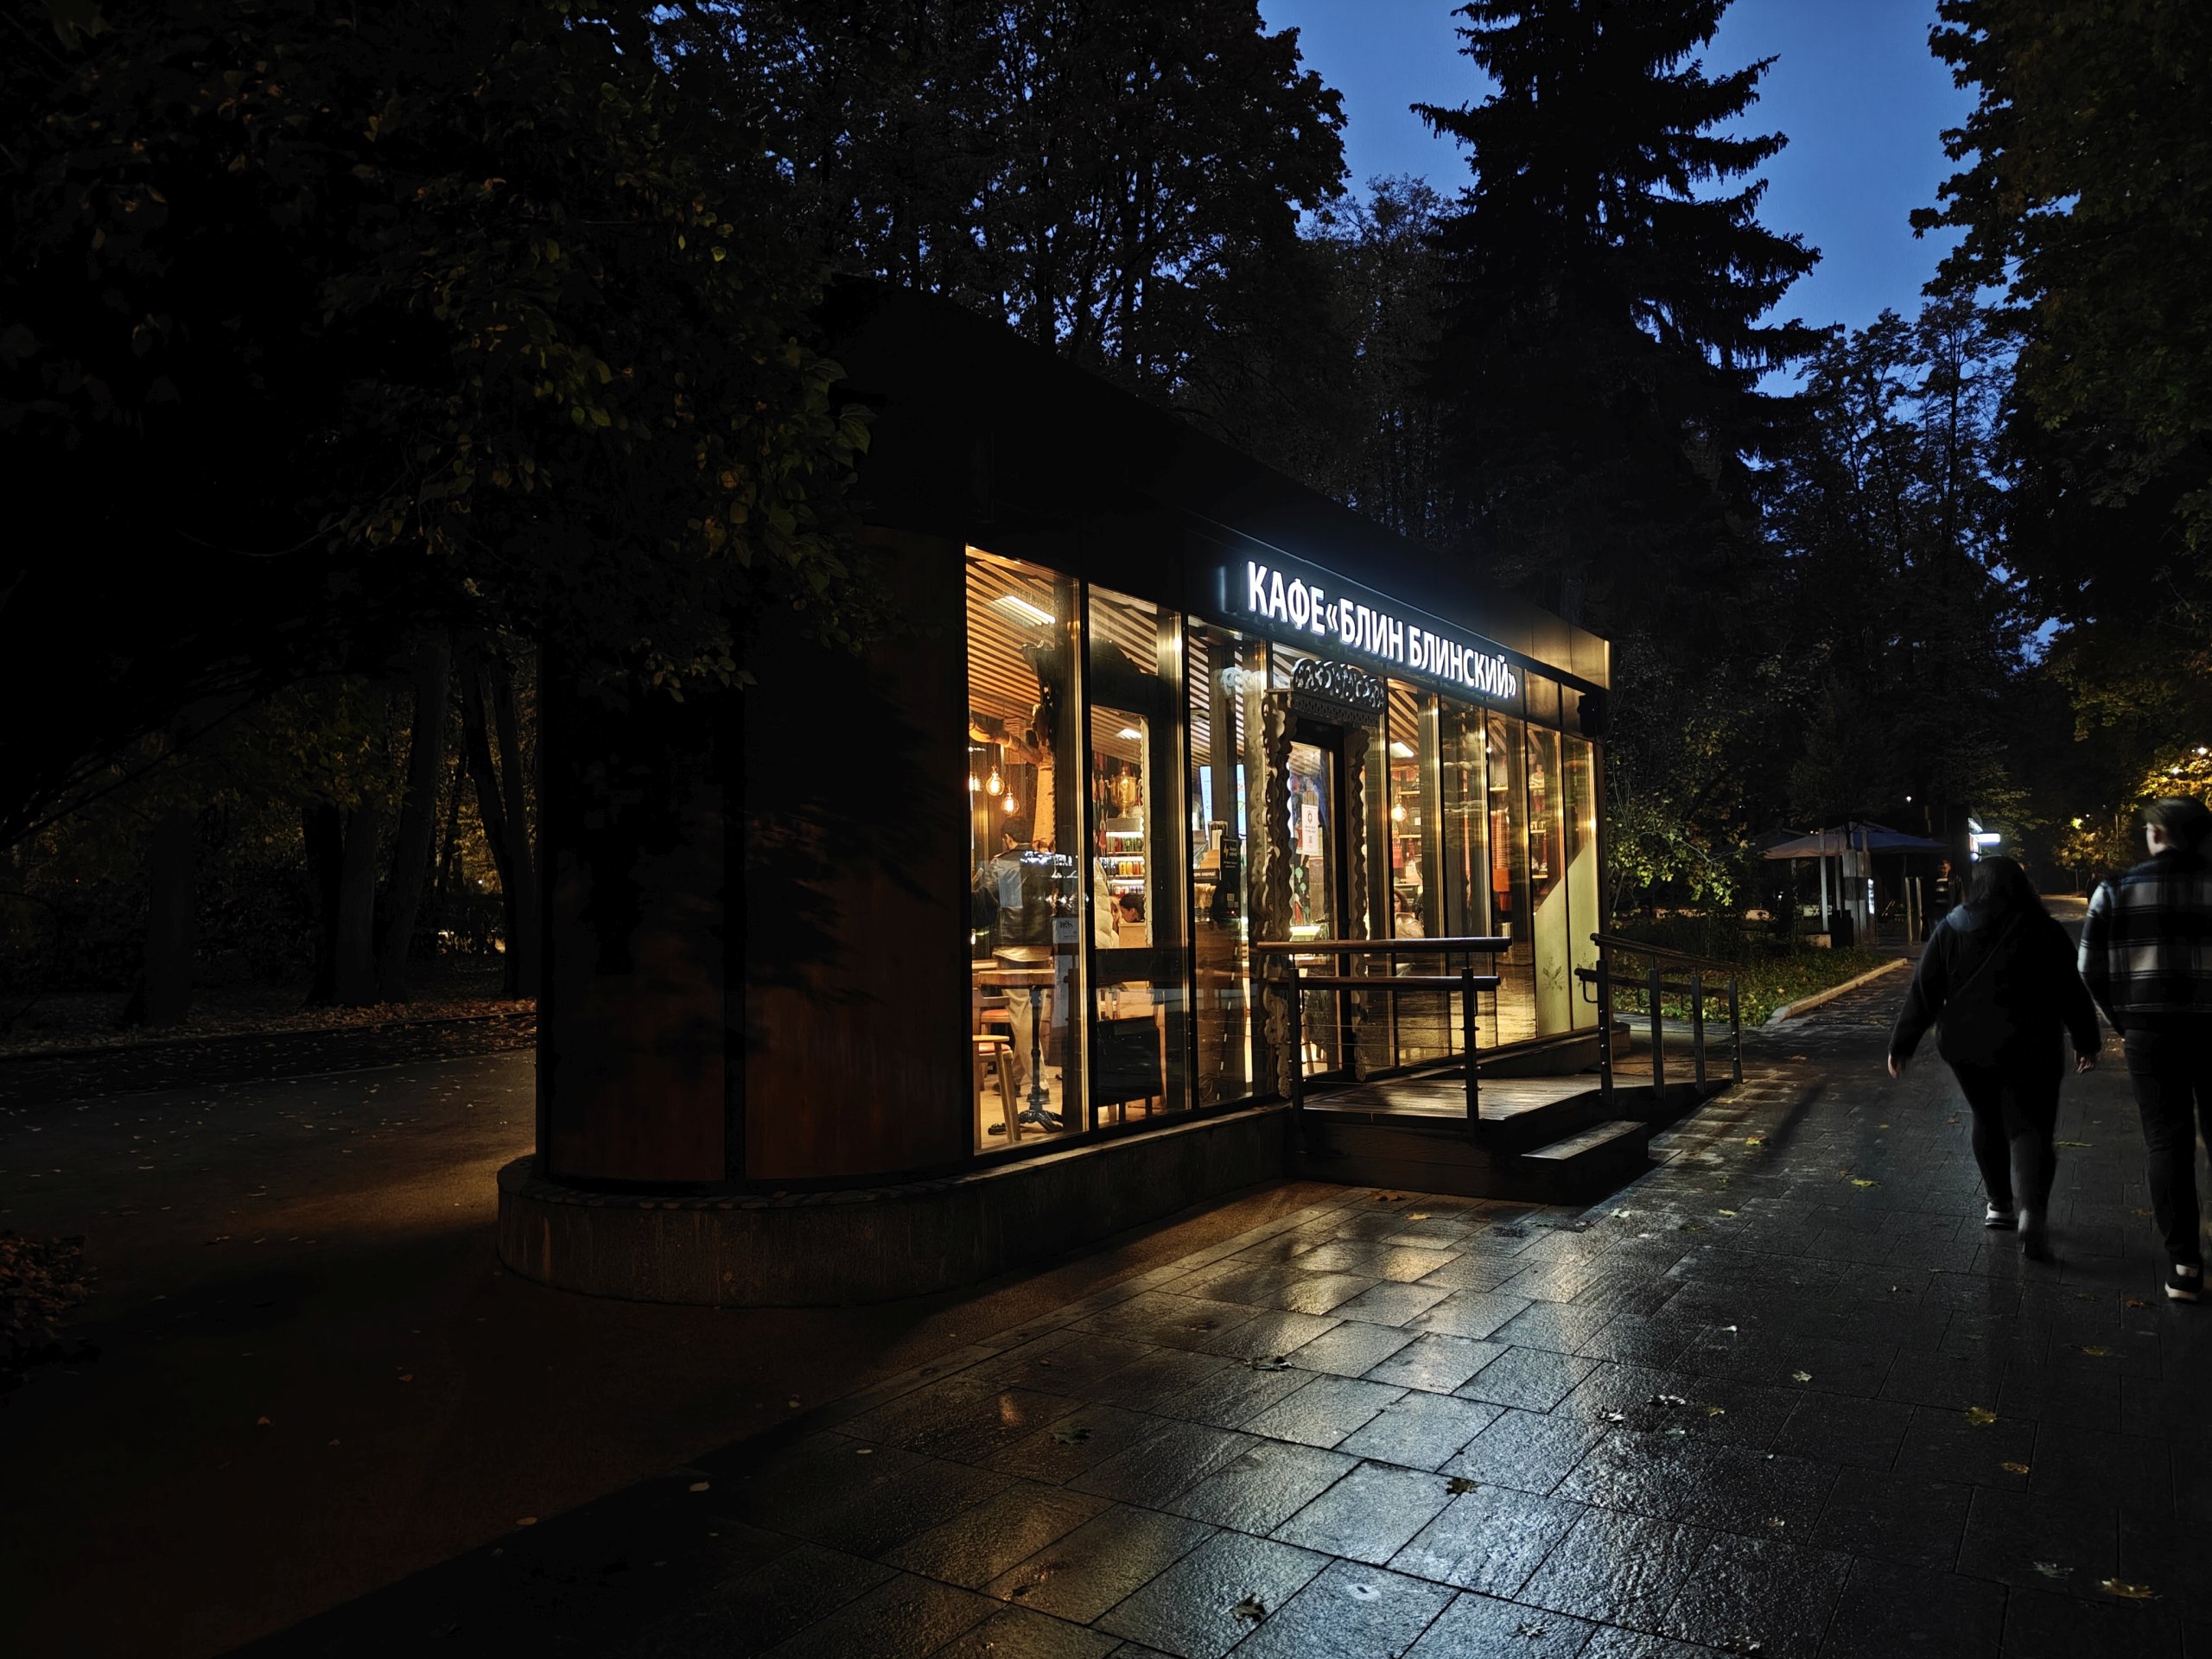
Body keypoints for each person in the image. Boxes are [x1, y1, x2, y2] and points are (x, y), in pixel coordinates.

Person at [1887, 855, 2101, 1261]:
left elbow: (1925, 989)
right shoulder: (2045, 929)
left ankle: (2000, 1205)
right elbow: (2070, 990)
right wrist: (2086, 1040)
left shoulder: (1952, 927)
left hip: (1968, 1047)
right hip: (2033, 1045)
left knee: (1986, 1119)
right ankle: (2032, 1213)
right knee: (2032, 1126)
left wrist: (1903, 1043)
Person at [2080, 797, 2212, 1302]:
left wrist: (2123, 1019)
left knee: (2167, 1140)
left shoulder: (2115, 889)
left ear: (2157, 834)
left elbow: (2088, 968)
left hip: (2150, 1033)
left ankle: (2185, 1265)